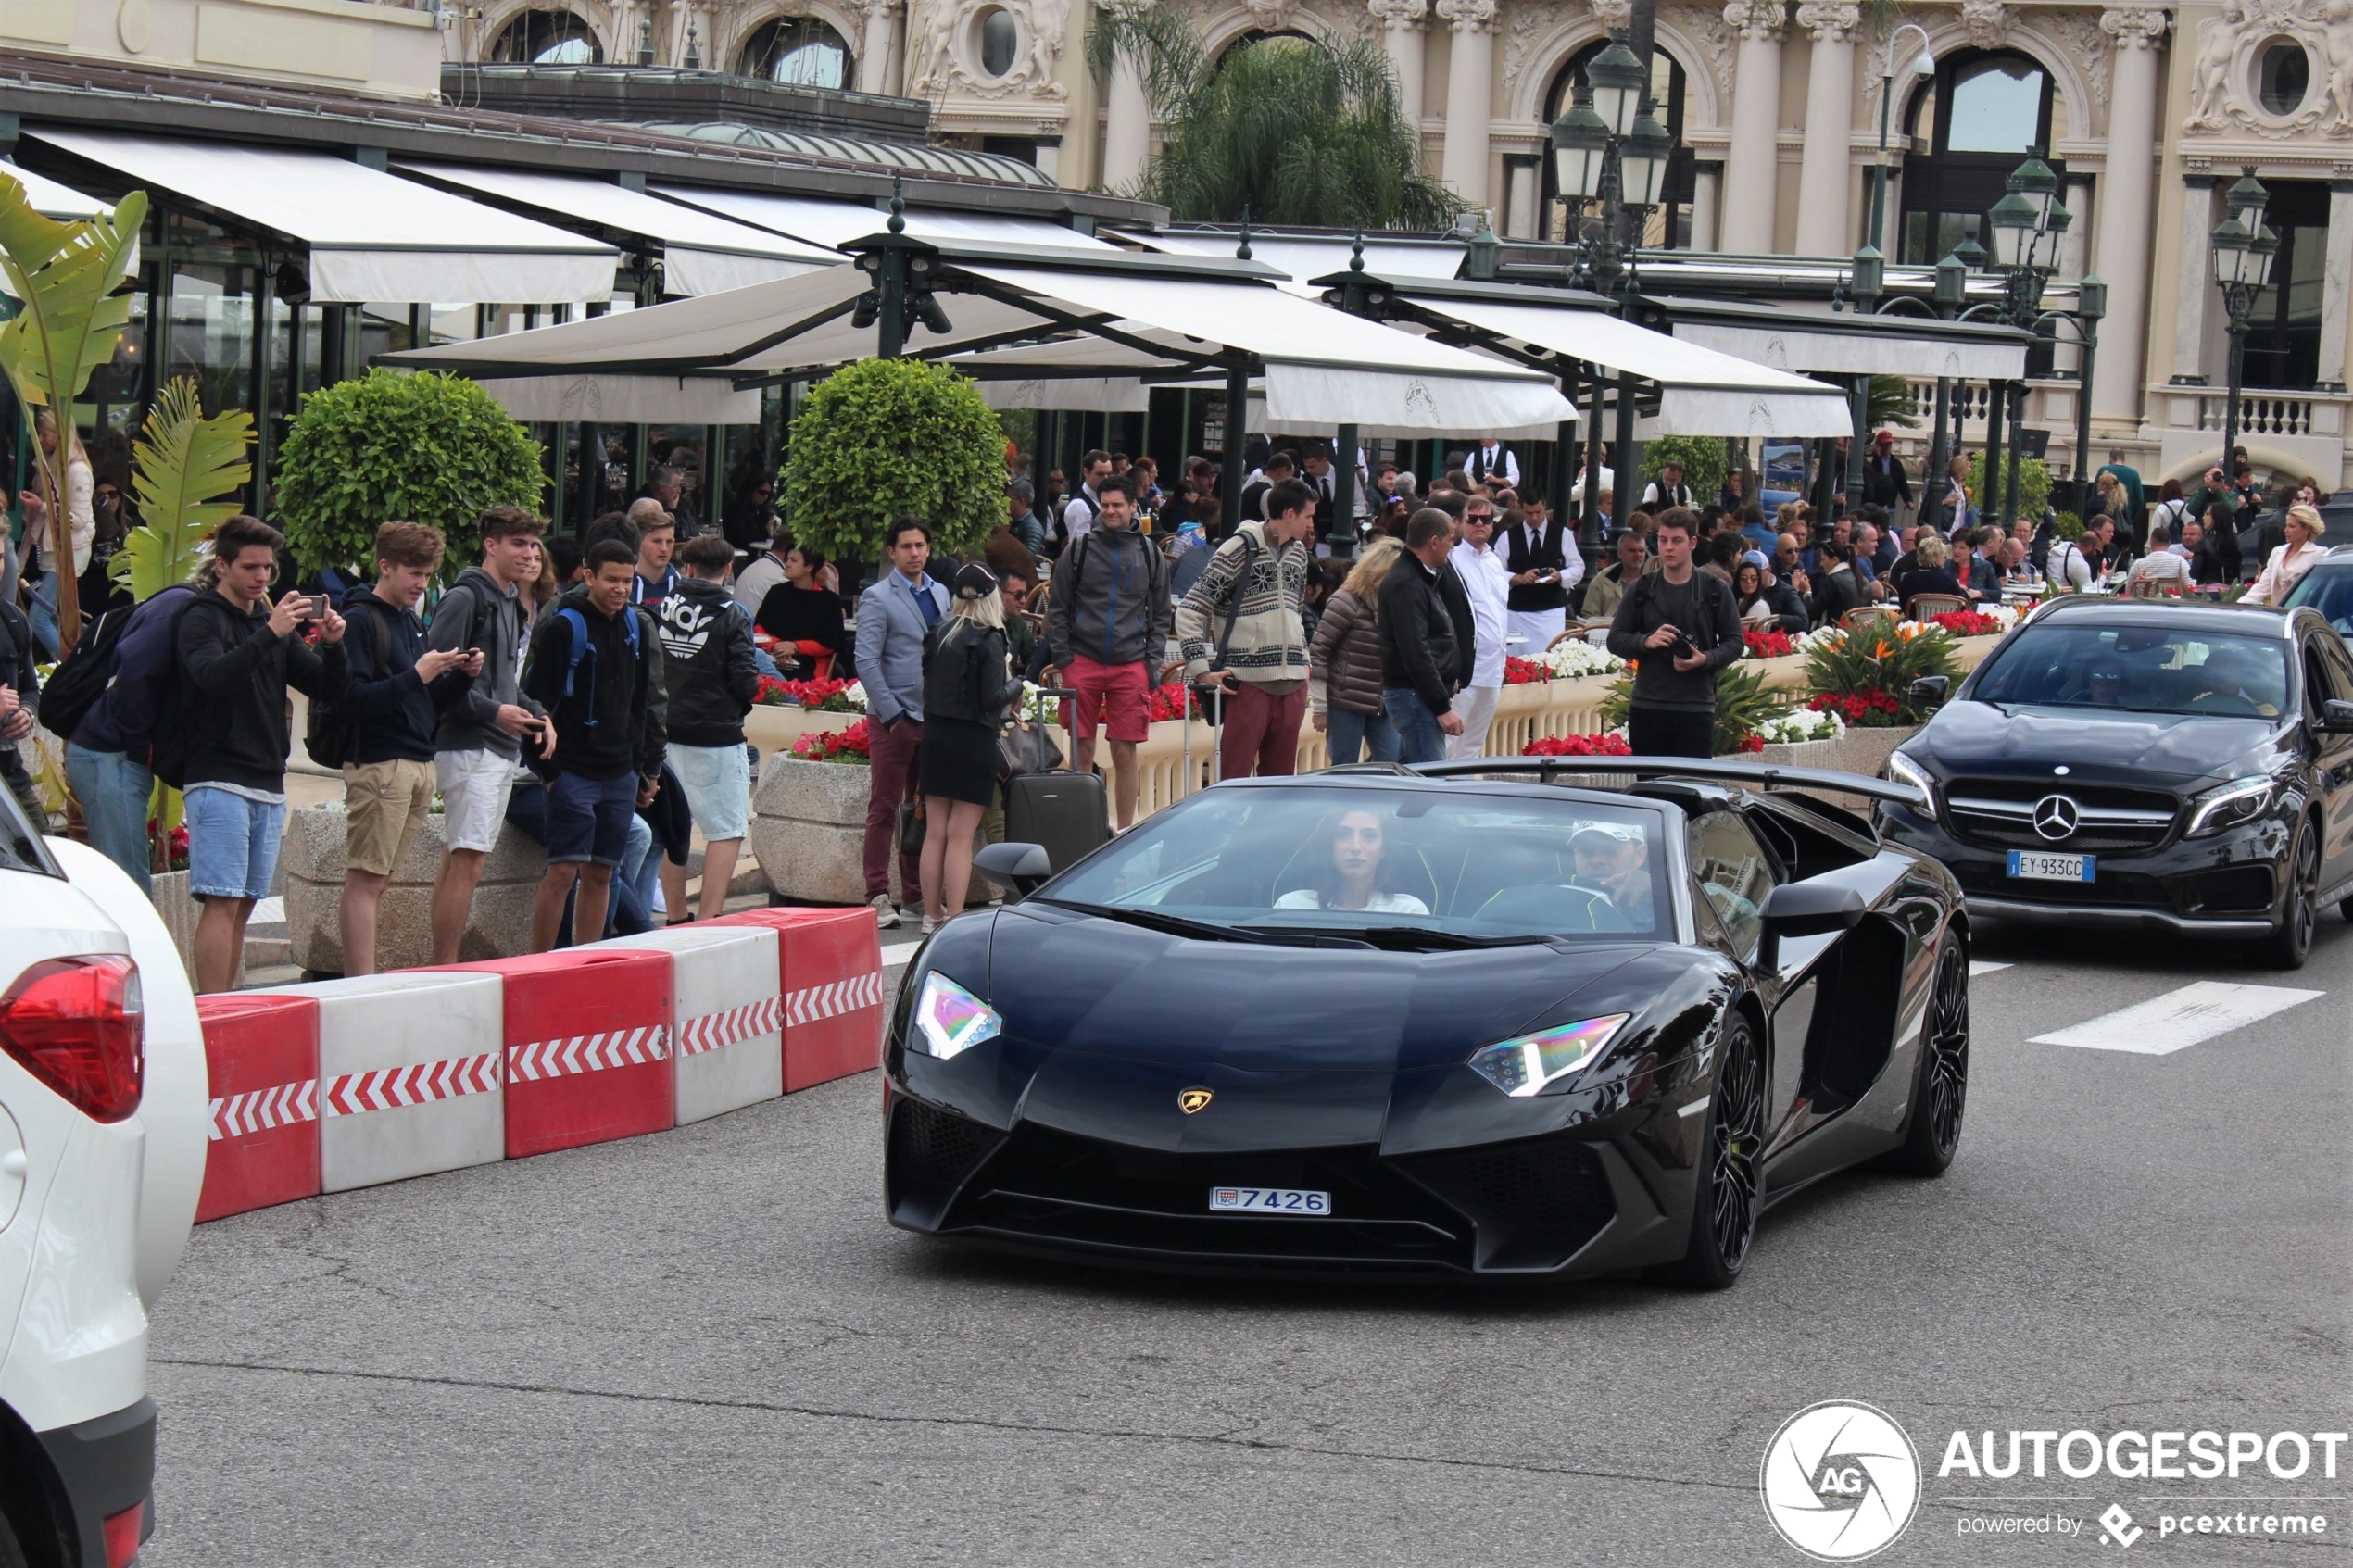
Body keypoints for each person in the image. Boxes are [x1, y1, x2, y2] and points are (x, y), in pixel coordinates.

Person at [178, 515, 349, 993]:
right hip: (217, 776)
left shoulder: (266, 622)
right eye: (251, 567)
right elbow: (211, 677)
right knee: (222, 900)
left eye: (268, 569)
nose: (261, 578)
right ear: (222, 567)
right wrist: (270, 633)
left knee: (248, 901)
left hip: (268, 778)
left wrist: (334, 645)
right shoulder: (201, 617)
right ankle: (212, 1008)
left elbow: (325, 686)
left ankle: (228, 1002)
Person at [333, 521, 476, 976]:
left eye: (427, 574)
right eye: (412, 573)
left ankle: (364, 982)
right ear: (385, 566)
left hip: (416, 760)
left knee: (382, 878)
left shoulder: (411, 620)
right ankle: (360, 984)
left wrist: (459, 678)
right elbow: (349, 699)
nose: (420, 584)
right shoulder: (359, 619)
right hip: (379, 762)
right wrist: (417, 675)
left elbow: (425, 703)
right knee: (367, 877)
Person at [523, 539, 666, 953]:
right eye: (611, 580)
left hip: (619, 772)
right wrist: (549, 774)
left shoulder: (636, 626)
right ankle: (541, 963)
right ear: (589, 577)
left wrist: (643, 766)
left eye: (628, 580)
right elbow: (536, 704)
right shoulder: (564, 626)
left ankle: (587, 962)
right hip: (571, 773)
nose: (620, 589)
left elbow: (642, 704)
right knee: (563, 871)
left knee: (604, 872)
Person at [426, 507, 554, 964]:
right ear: (491, 545)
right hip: (468, 745)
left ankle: (443, 967)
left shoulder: (505, 598)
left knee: (461, 857)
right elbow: (437, 679)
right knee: (468, 860)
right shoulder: (465, 597)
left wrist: (536, 711)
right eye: (518, 543)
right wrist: (493, 711)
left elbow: (505, 681)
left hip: (496, 746)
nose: (528, 553)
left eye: (533, 544)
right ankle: (444, 969)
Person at [1043, 475, 1169, 827]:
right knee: (1081, 748)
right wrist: (1064, 658)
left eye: (1118, 505)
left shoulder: (1149, 553)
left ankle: (1125, 830)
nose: (1110, 511)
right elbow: (1058, 605)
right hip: (1082, 659)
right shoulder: (1080, 548)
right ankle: (1079, 829)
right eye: (1106, 504)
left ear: (1133, 507)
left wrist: (1151, 662)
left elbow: (1161, 613)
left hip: (1131, 664)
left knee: (1125, 752)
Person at [1176, 478, 1315, 781]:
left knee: (1278, 787)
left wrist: (1303, 660)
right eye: (1308, 516)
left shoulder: (1300, 555)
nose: (1311, 524)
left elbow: (1297, 613)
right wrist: (1201, 669)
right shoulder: (1240, 548)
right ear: (1290, 514)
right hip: (1247, 685)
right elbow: (1191, 608)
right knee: (1233, 781)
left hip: (1292, 685)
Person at [654, 534, 760, 922]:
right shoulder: (734, 614)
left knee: (672, 826)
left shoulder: (662, 606)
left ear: (688, 568)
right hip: (716, 734)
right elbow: (745, 680)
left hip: (666, 731)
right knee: (727, 828)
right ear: (729, 569)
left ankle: (676, 915)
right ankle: (710, 918)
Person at [914, 563, 1022, 935]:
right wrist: (1018, 685)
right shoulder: (991, 638)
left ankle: (931, 915)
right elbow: (992, 697)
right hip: (973, 740)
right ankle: (955, 917)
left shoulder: (938, 632)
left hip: (937, 736)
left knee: (935, 832)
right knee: (961, 836)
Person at [855, 517, 950, 928]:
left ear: (929, 549)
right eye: (907, 546)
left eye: (921, 546)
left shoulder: (942, 593)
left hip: (936, 716)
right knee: (885, 807)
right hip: (895, 718)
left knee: (924, 809)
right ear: (892, 552)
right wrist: (891, 714)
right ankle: (876, 893)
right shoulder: (877, 596)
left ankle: (915, 895)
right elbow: (865, 659)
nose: (915, 553)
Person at [1605, 509, 1740, 758]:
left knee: (1690, 790)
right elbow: (1615, 640)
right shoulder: (1641, 589)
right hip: (1648, 707)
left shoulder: (1715, 590)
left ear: (1692, 543)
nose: (1668, 548)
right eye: (1663, 540)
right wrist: (1647, 641)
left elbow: (1735, 642)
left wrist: (1705, 659)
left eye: (1676, 541)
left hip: (1696, 708)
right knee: (1649, 792)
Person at [1378, 510, 1466, 764]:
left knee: (1410, 780)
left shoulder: (1418, 578)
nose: (1453, 546)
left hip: (1416, 695)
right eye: (1451, 539)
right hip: (1415, 697)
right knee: (1429, 783)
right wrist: (1442, 707)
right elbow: (1416, 650)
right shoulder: (1407, 583)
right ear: (1434, 541)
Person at [1309, 538, 1403, 767]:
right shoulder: (1345, 602)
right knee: (1343, 767)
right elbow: (1319, 652)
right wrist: (1320, 706)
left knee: (1393, 761)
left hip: (1380, 703)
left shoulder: (1394, 604)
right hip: (1345, 703)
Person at [1445, 501, 1512, 759]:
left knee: (1473, 745)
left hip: (1492, 669)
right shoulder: (1452, 557)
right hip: (1465, 670)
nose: (1480, 524)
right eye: (1473, 519)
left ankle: (1462, 795)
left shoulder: (1494, 560)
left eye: (1486, 519)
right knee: (1449, 742)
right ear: (1461, 522)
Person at [1275, 809, 1429, 914]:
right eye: (1343, 835)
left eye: (1369, 836)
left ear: (1384, 848)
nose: (1355, 847)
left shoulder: (1408, 912)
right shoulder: (1292, 907)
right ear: (1330, 845)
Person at [749, 539, 849, 679]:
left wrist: (795, 647)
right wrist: (777, 646)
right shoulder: (776, 592)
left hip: (808, 664)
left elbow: (830, 643)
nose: (787, 564)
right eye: (787, 559)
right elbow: (759, 628)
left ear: (809, 567)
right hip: (772, 658)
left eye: (794, 560)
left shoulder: (829, 600)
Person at [1503, 496, 1579, 651]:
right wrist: (1519, 578)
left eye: (1538, 512)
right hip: (1517, 613)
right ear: (1521, 510)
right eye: (1529, 513)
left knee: (1549, 659)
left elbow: (1578, 567)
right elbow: (1495, 572)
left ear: (1545, 507)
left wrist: (1560, 576)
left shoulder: (1563, 534)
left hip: (1551, 612)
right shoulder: (1508, 536)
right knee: (1516, 662)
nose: (1534, 517)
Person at [1570, 822, 1654, 931]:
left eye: (1611, 850)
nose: (1596, 860)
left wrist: (1656, 893)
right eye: (1586, 851)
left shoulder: (1664, 902)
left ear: (1640, 855)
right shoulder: (1552, 901)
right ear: (1575, 856)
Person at [2243, 505, 2327, 606]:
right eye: (2287, 525)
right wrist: (2240, 605)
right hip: (2278, 614)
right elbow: (2262, 586)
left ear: (2307, 529)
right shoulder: (2278, 552)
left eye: (2292, 526)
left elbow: (2319, 592)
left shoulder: (2319, 554)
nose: (2285, 530)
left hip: (2301, 615)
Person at [1580, 528, 1649, 621]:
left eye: (1641, 551)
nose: (1638, 555)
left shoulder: (1654, 578)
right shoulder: (1602, 579)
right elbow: (1589, 615)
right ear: (1619, 553)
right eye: (1632, 551)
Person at [1895, 533, 1967, 612]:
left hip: (1914, 622)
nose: (1945, 559)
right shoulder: (1948, 580)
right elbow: (1961, 607)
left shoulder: (1908, 579)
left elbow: (1903, 605)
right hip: (1942, 622)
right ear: (1937, 557)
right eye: (1945, 555)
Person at [1806, 536, 1869, 626]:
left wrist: (1806, 592)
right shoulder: (1864, 580)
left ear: (1835, 560)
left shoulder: (1833, 580)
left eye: (1823, 559)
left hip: (1836, 635)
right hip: (1860, 635)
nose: (1821, 564)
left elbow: (1812, 612)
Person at [1060, 449, 1112, 549]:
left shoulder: (1101, 499)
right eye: (1100, 474)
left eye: (1109, 474)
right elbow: (1081, 549)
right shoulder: (1079, 506)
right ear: (1086, 472)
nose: (1106, 478)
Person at [628, 508, 678, 606]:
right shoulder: (623, 586)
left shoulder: (683, 586)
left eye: (669, 541)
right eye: (657, 541)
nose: (664, 548)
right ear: (639, 543)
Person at [2046, 516, 2111, 592]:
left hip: (2051, 597)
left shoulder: (2057, 551)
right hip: (2066, 599)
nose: (2095, 553)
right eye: (2095, 550)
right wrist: (2104, 576)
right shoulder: (2079, 564)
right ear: (2090, 547)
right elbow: (2090, 592)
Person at [2126, 522, 2195, 595]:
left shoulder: (2138, 565)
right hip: (2172, 604)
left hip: (2145, 604)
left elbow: (2128, 592)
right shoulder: (2180, 562)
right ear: (2169, 543)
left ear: (2151, 542)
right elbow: (2191, 589)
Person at [1239, 451, 1297, 524]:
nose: (1289, 482)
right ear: (1282, 471)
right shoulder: (1269, 493)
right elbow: (1272, 526)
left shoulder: (1248, 489)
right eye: (1289, 476)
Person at [1862, 432, 1914, 510]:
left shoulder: (1896, 463)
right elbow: (1871, 476)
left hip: (1890, 503)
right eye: (1885, 444)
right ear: (1879, 444)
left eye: (1889, 443)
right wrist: (1877, 457)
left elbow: (1902, 484)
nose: (1887, 446)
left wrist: (1908, 500)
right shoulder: (1872, 460)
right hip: (1875, 503)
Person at [1007, 476, 1048, 556]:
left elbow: (1027, 558)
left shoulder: (1033, 528)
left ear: (1021, 501)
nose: (1005, 502)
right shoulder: (1012, 521)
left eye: (1008, 498)